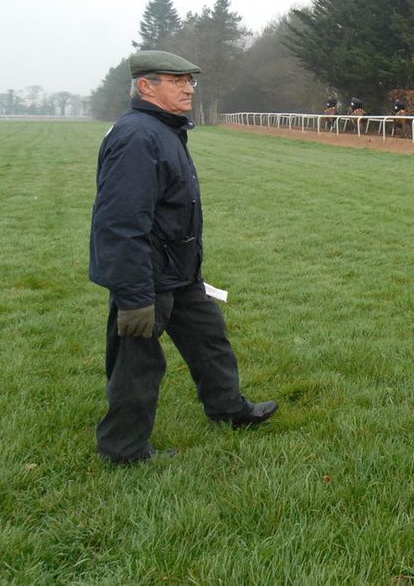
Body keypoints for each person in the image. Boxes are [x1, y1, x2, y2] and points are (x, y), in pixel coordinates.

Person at [90, 50, 276, 465]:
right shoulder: (137, 137)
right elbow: (120, 223)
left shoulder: (164, 129)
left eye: (190, 80)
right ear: (146, 86)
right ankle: (124, 451)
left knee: (209, 340)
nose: (189, 88)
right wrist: (134, 297)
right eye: (177, 81)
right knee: (137, 364)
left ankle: (228, 408)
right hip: (148, 276)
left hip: (180, 272)